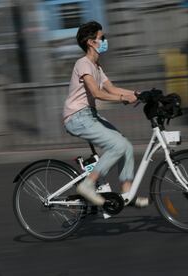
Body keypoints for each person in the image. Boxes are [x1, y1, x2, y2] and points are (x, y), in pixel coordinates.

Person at [63, 21, 148, 207]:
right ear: (91, 42)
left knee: (126, 145)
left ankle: (127, 194)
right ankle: (87, 185)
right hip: (77, 117)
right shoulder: (83, 64)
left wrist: (139, 95)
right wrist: (123, 99)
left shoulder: (97, 67)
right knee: (117, 146)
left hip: (89, 115)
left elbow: (111, 88)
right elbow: (97, 93)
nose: (105, 41)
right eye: (102, 38)